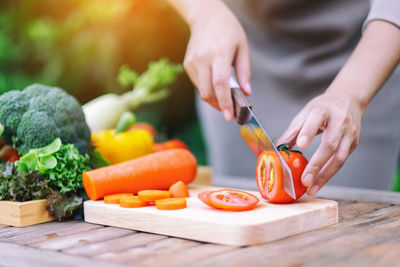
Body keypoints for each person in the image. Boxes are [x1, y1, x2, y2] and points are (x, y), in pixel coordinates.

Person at [167, 0, 400, 194]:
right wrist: (204, 12)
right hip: (242, 66)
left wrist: (352, 92)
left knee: (349, 228)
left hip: (364, 60)